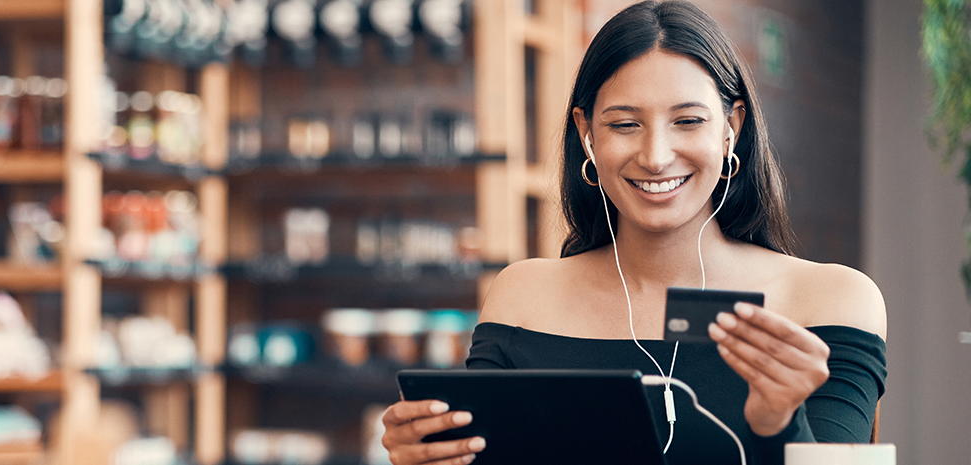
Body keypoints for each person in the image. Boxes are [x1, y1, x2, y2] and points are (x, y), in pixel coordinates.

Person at [379, 1, 887, 464]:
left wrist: (778, 423)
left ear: (731, 126)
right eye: (624, 125)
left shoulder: (830, 300)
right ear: (587, 133)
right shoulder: (522, 295)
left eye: (688, 121)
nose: (655, 156)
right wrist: (427, 455)